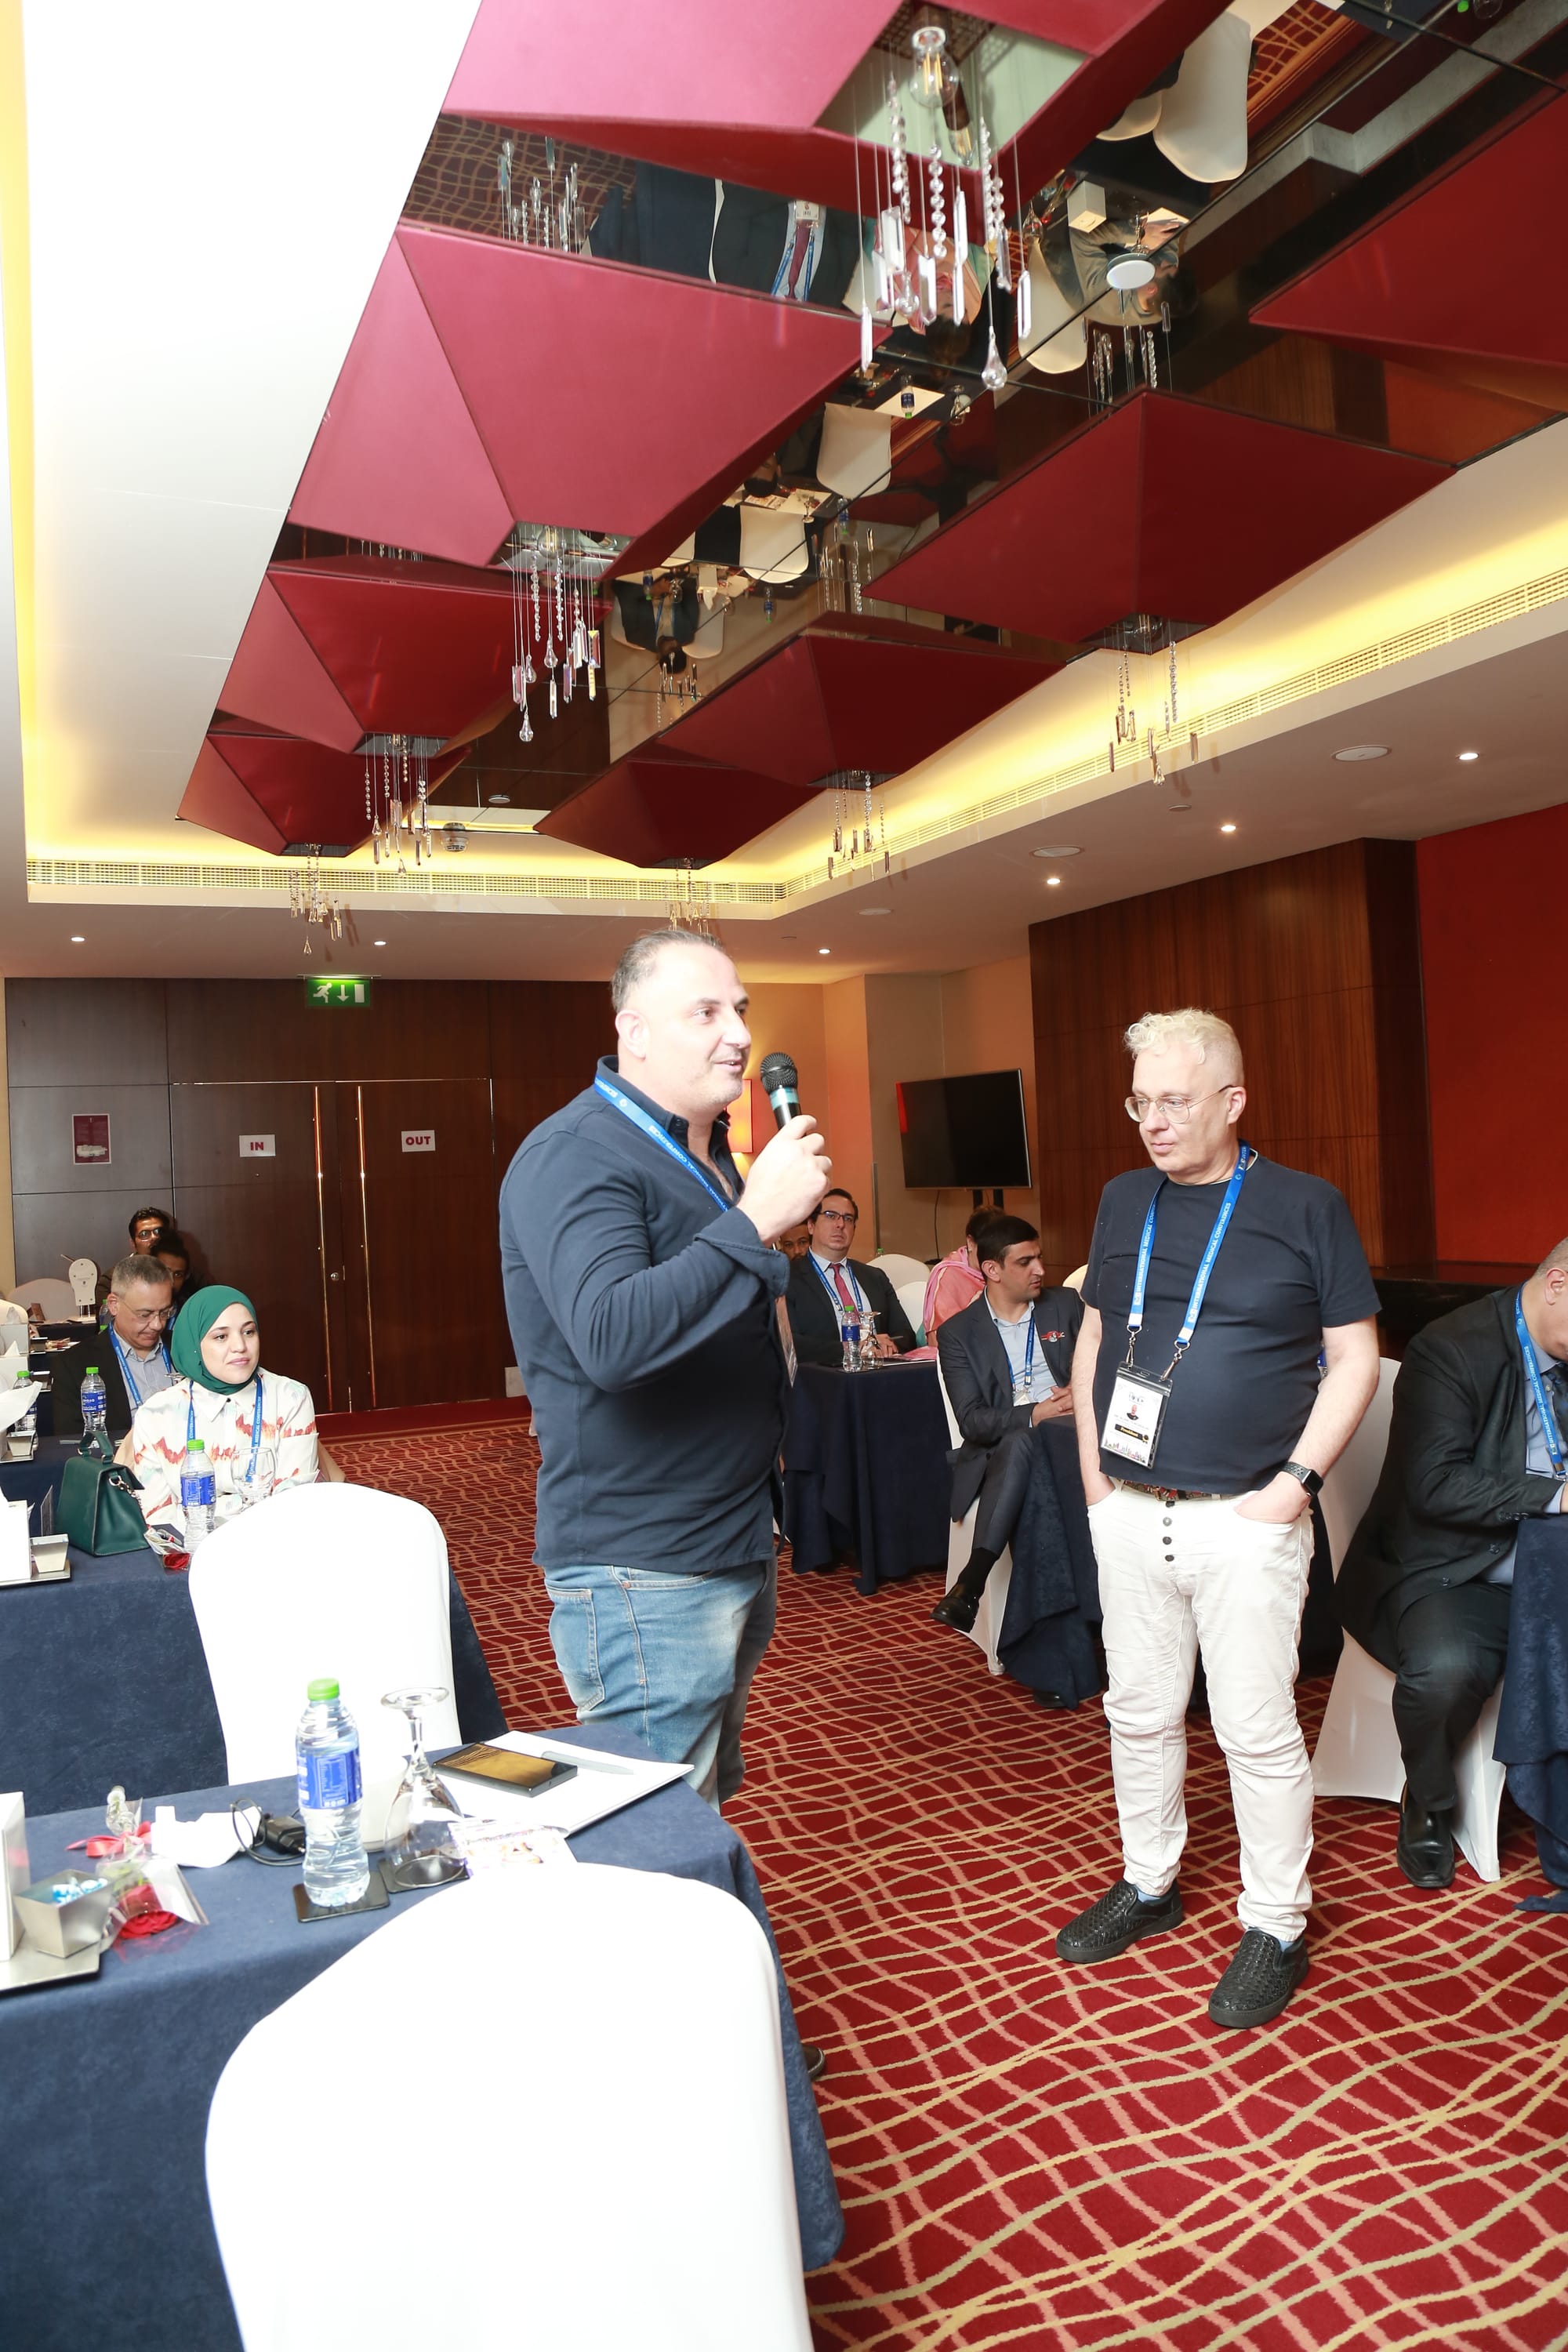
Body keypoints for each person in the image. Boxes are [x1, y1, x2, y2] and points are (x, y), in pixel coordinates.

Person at [1058, 1008, 1380, 2031]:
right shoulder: (1123, 1199)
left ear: (1232, 1101)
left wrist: (1292, 1488)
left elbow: (1355, 1357)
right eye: (1138, 1103)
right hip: (1128, 1508)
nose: (1152, 1122)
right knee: (1138, 1713)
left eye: (1173, 1101)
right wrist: (1093, 1476)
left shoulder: (1305, 1205)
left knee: (1253, 1729)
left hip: (1244, 1518)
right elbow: (1095, 1336)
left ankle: (1276, 1923)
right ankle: (1149, 1881)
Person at [499, 927, 829, 1811]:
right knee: (653, 1827)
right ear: (633, 1031)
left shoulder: (703, 1152)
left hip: (725, 1534)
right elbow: (612, 1337)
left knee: (699, 1799)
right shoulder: (578, 1152)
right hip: (643, 1561)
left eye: (741, 1011)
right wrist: (754, 1221)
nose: (740, 1035)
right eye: (706, 1013)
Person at [1336, 1243, 1568, 1889]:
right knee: (1446, 1669)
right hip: (1458, 1566)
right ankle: (1430, 1798)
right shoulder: (1451, 1349)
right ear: (1556, 1284)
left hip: (1555, 1564)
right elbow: (1435, 1486)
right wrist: (1556, 1495)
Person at [931, 1216, 1083, 1635]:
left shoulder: (1066, 1305)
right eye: (1025, 1262)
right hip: (1000, 1452)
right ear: (992, 1269)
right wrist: (1035, 1414)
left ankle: (972, 1580)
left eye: (1039, 1258)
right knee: (1020, 1442)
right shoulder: (959, 1333)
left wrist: (1081, 1390)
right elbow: (972, 1421)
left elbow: (1105, 1364)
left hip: (1072, 1438)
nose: (1040, 1270)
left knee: (1026, 1443)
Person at [129, 1286, 320, 1555]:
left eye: (249, 1332)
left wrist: (203, 1516)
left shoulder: (290, 1397)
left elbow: (293, 1505)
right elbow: (158, 1520)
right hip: (191, 1557)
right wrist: (242, 1510)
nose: (240, 1346)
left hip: (275, 1552)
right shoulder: (157, 1414)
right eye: (221, 1336)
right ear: (194, 1345)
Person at [786, 1189, 918, 1369]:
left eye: (848, 1219)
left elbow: (906, 1335)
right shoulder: (787, 1279)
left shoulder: (875, 1277)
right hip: (824, 1377)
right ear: (811, 1225)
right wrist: (851, 1349)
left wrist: (883, 1345)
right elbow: (790, 1344)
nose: (840, 1224)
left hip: (880, 1373)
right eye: (831, 1216)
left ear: (854, 1230)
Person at [53, 1253, 176, 1438]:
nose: (157, 1324)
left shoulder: (186, 1349)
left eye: (165, 1313)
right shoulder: (73, 1365)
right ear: (114, 1305)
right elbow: (71, 1442)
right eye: (145, 1315)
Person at [922, 1210, 992, 1341]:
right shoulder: (948, 1274)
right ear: (970, 1243)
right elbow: (940, 1338)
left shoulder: (1005, 1271)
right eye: (988, 1247)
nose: (995, 1255)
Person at [151, 1232, 192, 1302]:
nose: (171, 1282)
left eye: (178, 1275)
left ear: (186, 1277)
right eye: (165, 1272)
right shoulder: (134, 1302)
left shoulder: (190, 1306)